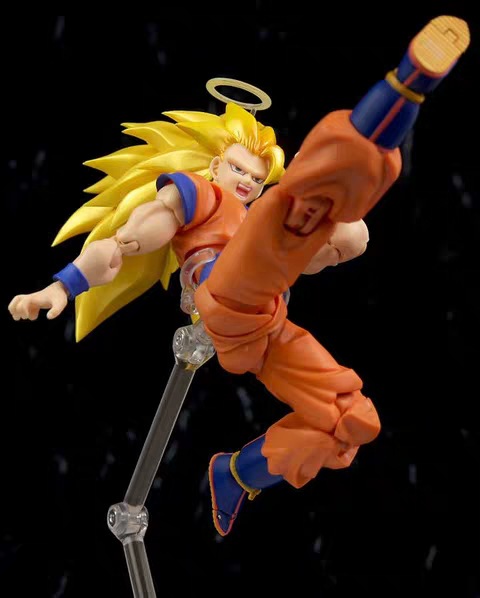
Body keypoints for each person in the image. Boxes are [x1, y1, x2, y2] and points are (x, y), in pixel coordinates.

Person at [8, 15, 469, 537]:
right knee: (302, 204)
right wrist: (61, 286)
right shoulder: (198, 195)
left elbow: (311, 251)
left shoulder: (259, 221)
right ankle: (407, 85)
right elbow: (123, 244)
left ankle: (238, 473)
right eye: (238, 169)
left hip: (266, 325)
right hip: (222, 294)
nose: (247, 181)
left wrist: (335, 238)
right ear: (213, 167)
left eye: (256, 175)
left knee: (347, 420)